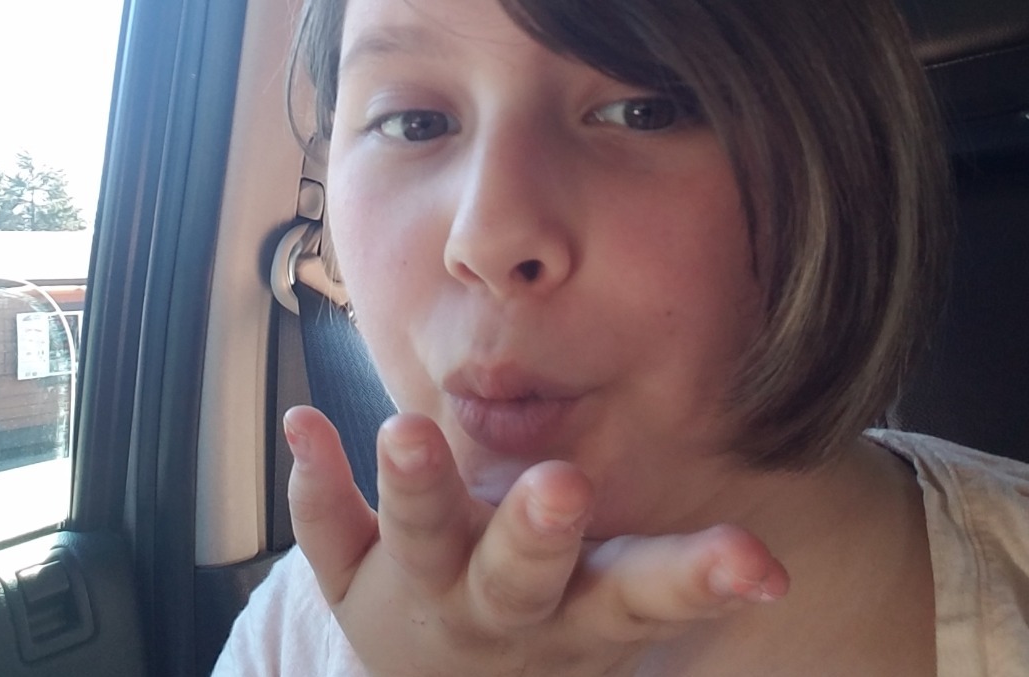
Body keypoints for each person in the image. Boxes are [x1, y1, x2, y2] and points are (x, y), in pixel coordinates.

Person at [214, 0, 1029, 674]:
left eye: (644, 111)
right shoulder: (295, 634)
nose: (487, 237)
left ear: (846, 154)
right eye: (414, 121)